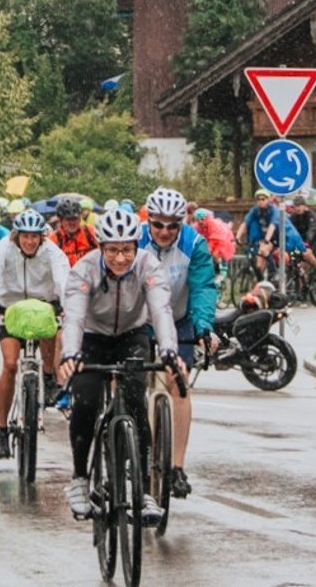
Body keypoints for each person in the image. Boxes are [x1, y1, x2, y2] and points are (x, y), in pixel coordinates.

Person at [58, 208, 182, 521]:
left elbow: (161, 309)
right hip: (92, 337)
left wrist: (168, 350)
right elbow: (73, 316)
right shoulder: (84, 270)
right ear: (100, 248)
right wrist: (70, 354)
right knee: (85, 399)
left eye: (127, 249)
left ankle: (142, 491)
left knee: (136, 401)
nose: (120, 258)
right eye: (112, 250)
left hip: (132, 334)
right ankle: (79, 479)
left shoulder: (147, 265)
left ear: (137, 247)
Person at [0, 208, 69, 459]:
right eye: (25, 236)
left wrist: (69, 307)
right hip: (10, 309)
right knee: (9, 364)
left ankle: (49, 377)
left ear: (42, 237)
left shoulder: (52, 253)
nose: (30, 241)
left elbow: (62, 279)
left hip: (43, 306)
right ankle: (3, 428)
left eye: (35, 236)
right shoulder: (3, 249)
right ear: (16, 235)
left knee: (52, 328)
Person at [139, 187, 214, 499]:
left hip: (179, 318)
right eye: (158, 225)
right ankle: (133, 447)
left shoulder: (194, 244)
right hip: (139, 321)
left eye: (173, 225)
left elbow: (203, 287)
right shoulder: (134, 241)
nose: (165, 231)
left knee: (178, 383)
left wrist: (203, 327)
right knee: (131, 381)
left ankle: (177, 467)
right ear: (149, 222)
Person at [50, 200, 98, 266]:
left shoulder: (89, 232)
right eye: (68, 219)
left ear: (80, 219)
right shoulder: (54, 239)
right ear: (60, 220)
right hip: (66, 274)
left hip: (89, 273)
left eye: (75, 218)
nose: (72, 223)